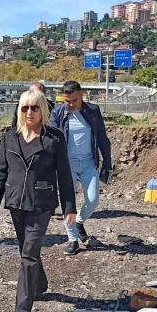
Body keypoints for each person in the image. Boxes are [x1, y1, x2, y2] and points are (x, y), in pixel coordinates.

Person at [0, 90, 76, 312]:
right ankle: (40, 284)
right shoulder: (9, 137)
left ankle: (23, 311)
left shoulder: (54, 139)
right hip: (16, 202)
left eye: (34, 108)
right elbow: (0, 170)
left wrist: (70, 206)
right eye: (25, 108)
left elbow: (64, 175)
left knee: (28, 255)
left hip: (42, 203)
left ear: (42, 110)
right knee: (27, 250)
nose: (29, 112)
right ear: (19, 110)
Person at [49, 80, 112, 255]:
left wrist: (107, 163)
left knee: (92, 200)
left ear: (81, 96)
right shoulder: (57, 113)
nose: (70, 104)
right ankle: (72, 240)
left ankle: (78, 221)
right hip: (66, 165)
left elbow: (102, 138)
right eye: (66, 101)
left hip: (88, 163)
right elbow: (51, 142)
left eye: (74, 100)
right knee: (68, 203)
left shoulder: (93, 111)